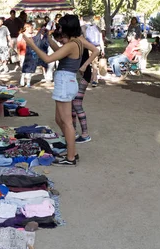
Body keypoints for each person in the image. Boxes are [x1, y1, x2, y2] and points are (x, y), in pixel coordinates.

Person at [24, 14, 84, 165]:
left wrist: (32, 45)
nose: (59, 29)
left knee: (66, 121)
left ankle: (71, 158)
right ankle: (72, 150)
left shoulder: (73, 44)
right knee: (59, 119)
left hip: (65, 81)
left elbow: (49, 59)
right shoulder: (74, 43)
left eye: (61, 26)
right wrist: (48, 39)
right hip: (65, 81)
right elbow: (58, 51)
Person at [72, 32, 100, 143]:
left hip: (83, 74)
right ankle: (72, 131)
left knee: (77, 104)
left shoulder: (80, 39)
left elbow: (96, 51)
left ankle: (85, 134)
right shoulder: (71, 39)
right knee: (71, 105)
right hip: (75, 75)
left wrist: (84, 65)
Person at [85, 16, 104, 87]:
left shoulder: (86, 28)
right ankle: (94, 79)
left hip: (88, 47)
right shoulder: (98, 29)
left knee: (87, 63)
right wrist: (102, 49)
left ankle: (89, 78)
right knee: (94, 64)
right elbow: (101, 40)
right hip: (96, 47)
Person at [19, 23, 38, 87]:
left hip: (31, 54)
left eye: (32, 28)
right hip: (23, 54)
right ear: (26, 28)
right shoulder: (21, 35)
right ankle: (22, 80)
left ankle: (28, 82)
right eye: (30, 27)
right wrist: (18, 54)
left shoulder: (34, 36)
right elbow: (18, 46)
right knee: (24, 68)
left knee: (30, 69)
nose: (31, 29)